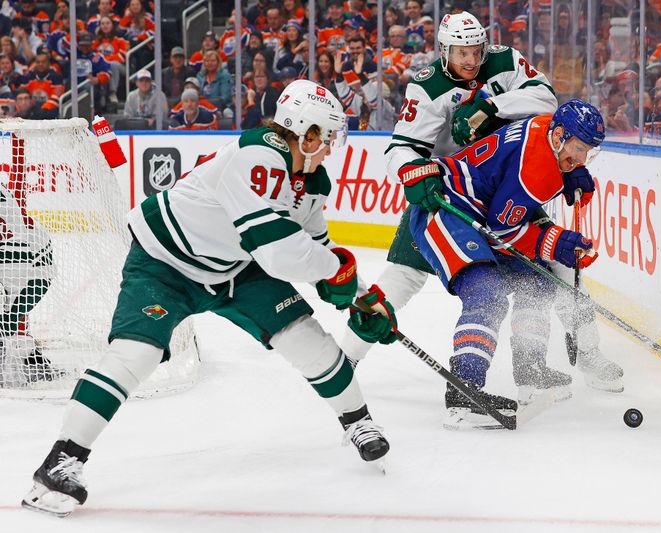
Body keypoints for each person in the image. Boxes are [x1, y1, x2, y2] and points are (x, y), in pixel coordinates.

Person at [22, 79, 397, 517]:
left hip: (237, 267)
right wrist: (338, 275)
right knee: (134, 356)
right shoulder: (257, 155)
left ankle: (358, 422)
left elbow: (318, 249)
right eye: (329, 136)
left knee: (306, 339)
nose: (333, 146)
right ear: (307, 131)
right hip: (166, 263)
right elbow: (279, 252)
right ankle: (60, 462)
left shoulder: (311, 181)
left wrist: (362, 297)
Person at [339, 11, 623, 398]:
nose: (472, 61)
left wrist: (491, 105)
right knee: (403, 279)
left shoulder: (503, 60)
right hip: (451, 193)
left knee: (550, 267)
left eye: (476, 50)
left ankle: (570, 357)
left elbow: (546, 99)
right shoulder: (426, 87)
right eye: (461, 53)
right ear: (443, 51)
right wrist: (416, 175)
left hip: (507, 183)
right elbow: (401, 148)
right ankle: (346, 360)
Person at [407, 100, 610, 428]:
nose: (582, 159)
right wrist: (556, 242)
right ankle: (465, 391)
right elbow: (503, 231)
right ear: (559, 135)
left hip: (481, 206)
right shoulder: (537, 170)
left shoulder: (546, 127)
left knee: (539, 281)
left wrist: (569, 169)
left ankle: (529, 367)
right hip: (447, 207)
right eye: (579, 149)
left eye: (589, 153)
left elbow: (508, 195)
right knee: (486, 292)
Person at [0, 179, 59, 388]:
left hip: (24, 263)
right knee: (7, 325)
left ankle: (21, 359)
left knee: (6, 325)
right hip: (40, 261)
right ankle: (29, 360)